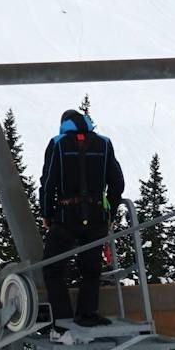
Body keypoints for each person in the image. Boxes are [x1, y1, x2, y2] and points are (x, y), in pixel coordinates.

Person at [40, 109, 125, 328]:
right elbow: (117, 183)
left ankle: (62, 319)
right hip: (96, 216)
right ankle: (87, 313)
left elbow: (48, 183)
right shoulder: (104, 144)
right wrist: (110, 214)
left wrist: (47, 214)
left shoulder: (58, 144)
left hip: (66, 216)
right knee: (90, 269)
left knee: (52, 268)